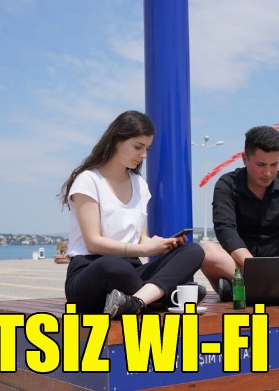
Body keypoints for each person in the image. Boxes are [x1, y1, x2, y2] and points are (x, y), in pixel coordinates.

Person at [60, 110, 205, 318]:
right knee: (113, 265)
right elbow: (93, 243)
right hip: (92, 272)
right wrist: (144, 249)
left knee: (193, 251)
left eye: (147, 148)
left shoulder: (139, 184)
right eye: (138, 147)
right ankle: (160, 296)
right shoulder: (88, 181)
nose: (143, 155)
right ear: (117, 141)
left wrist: (161, 245)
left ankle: (136, 302)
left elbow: (140, 237)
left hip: (131, 270)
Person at [201, 126, 279, 301]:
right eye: (261, 165)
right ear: (245, 159)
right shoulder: (226, 184)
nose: (268, 173)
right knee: (207, 251)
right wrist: (254, 268)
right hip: (239, 264)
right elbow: (225, 229)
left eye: (274, 164)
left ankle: (244, 288)